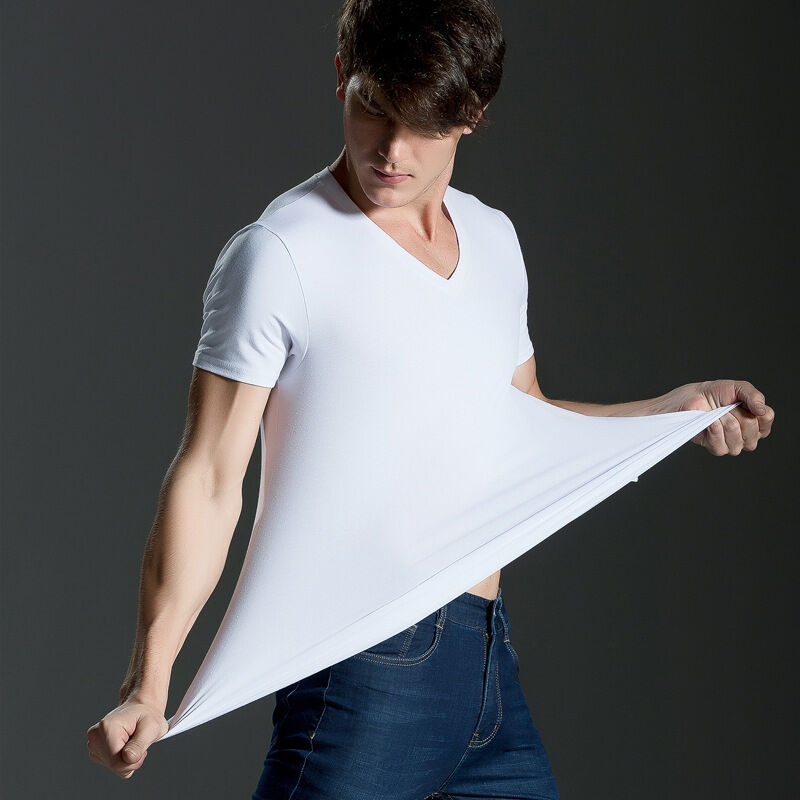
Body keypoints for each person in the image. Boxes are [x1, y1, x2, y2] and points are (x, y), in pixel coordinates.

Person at [86, 0, 774, 795]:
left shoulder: (493, 238)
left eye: (424, 124)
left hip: (489, 669)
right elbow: (209, 476)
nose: (392, 149)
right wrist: (149, 683)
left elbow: (518, 423)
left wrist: (671, 414)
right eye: (374, 109)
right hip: (364, 674)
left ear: (472, 114)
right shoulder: (282, 254)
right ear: (342, 77)